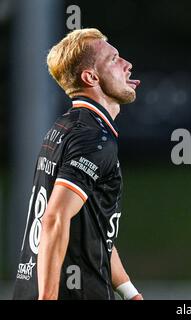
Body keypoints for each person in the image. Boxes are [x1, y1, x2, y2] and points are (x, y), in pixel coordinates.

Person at [12, 28, 142, 300]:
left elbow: (93, 227)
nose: (127, 65)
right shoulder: (94, 139)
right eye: (114, 59)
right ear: (91, 77)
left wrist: (130, 293)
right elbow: (55, 218)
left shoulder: (65, 127)